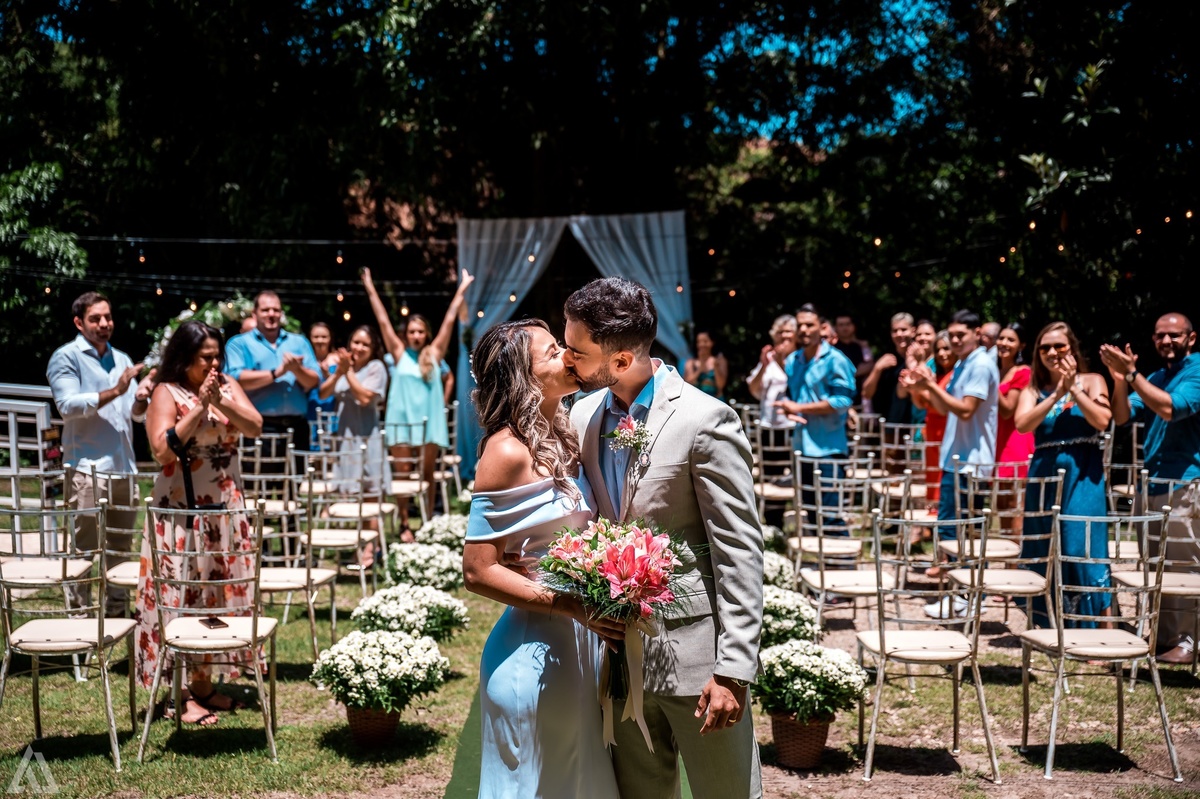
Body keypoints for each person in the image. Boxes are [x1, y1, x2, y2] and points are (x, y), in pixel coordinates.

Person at [563, 277, 764, 799]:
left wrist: (734, 671)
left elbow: (739, 551)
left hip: (700, 665)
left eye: (577, 351)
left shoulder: (705, 420)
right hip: (619, 662)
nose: (567, 360)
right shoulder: (582, 413)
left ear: (622, 360)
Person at [462, 319, 624, 799]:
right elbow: (477, 569)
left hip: (581, 647)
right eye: (554, 353)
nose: (569, 357)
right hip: (531, 654)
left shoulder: (566, 434)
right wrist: (569, 605)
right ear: (523, 377)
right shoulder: (505, 450)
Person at [134, 320, 263, 725]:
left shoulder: (227, 385)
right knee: (179, 598)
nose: (214, 363)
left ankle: (204, 684)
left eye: (217, 355)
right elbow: (161, 450)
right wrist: (200, 409)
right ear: (185, 357)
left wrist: (219, 402)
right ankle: (177, 694)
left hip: (225, 508)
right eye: (206, 356)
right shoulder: (165, 392)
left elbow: (255, 425)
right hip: (181, 512)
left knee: (214, 597)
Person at [47, 291, 155, 616]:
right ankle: (78, 620)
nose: (105, 323)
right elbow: (68, 407)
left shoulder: (121, 358)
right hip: (87, 469)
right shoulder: (66, 357)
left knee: (121, 548)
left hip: (125, 468)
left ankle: (116, 615)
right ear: (79, 322)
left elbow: (133, 415)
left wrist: (139, 399)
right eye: (96, 318)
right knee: (84, 551)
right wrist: (118, 390)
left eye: (108, 317)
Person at [1101, 312, 1200, 664]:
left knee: (1185, 565)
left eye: (1174, 335)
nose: (1166, 341)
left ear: (1191, 338)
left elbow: (1173, 408)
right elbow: (1123, 415)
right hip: (1152, 481)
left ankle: (1189, 642)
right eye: (1160, 336)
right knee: (1156, 564)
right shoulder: (1157, 376)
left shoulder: (1196, 370)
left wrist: (1131, 374)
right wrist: (1118, 380)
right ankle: (1163, 638)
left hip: (1186, 481)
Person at [1014, 321, 1112, 627]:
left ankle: (1104, 628)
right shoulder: (1032, 389)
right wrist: (1056, 394)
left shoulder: (1094, 380)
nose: (1052, 352)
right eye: (1044, 347)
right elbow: (1022, 424)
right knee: (1043, 544)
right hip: (1043, 475)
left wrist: (1073, 390)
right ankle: (1047, 624)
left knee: (1082, 543)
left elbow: (1102, 420)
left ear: (1072, 348)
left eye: (1059, 346)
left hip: (1083, 473)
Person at [902, 309, 999, 617]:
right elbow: (945, 407)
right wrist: (927, 385)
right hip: (955, 458)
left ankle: (969, 596)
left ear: (976, 333)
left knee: (962, 532)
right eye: (952, 334)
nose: (955, 340)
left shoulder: (981, 363)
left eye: (961, 335)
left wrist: (930, 387)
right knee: (950, 530)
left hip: (971, 460)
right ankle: (958, 593)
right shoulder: (962, 363)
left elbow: (967, 409)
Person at [362, 267, 473, 525]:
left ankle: (426, 521)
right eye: (411, 331)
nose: (415, 335)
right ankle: (403, 522)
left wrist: (462, 289)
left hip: (428, 423)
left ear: (426, 334)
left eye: (420, 331)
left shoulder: (434, 355)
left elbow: (449, 319)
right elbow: (382, 321)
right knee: (402, 474)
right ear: (406, 334)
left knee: (427, 474)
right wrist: (369, 286)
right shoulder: (398, 354)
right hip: (401, 421)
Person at [776, 305, 857, 532]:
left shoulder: (836, 360)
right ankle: (822, 565)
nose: (803, 329)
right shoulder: (793, 361)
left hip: (828, 449)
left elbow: (843, 401)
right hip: (802, 447)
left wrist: (799, 407)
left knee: (831, 515)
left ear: (822, 328)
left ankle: (844, 565)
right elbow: (796, 400)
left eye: (809, 324)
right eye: (799, 325)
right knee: (811, 512)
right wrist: (790, 410)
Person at [317, 326, 390, 562]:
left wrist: (346, 372)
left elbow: (365, 397)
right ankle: (358, 543)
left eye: (364, 344)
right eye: (355, 342)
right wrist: (339, 373)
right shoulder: (343, 369)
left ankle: (372, 547)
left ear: (373, 349)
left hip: (368, 438)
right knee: (353, 492)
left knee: (371, 492)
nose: (358, 348)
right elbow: (323, 392)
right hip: (346, 440)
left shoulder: (376, 368)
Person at [223, 290, 320, 455]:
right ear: (254, 314)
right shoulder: (238, 344)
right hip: (258, 428)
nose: (271, 314)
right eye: (265, 310)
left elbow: (314, 381)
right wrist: (277, 373)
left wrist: (297, 370)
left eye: (276, 310)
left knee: (296, 481)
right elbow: (235, 380)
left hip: (297, 428)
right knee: (258, 481)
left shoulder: (299, 342)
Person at [909, 330, 955, 510]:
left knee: (943, 477)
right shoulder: (940, 375)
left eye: (946, 349)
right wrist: (914, 390)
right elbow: (921, 404)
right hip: (933, 430)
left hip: (946, 429)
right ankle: (932, 518)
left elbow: (940, 405)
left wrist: (921, 387)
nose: (942, 354)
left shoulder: (955, 374)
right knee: (932, 476)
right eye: (939, 350)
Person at [861, 312, 917, 424]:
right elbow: (866, 393)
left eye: (903, 329)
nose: (899, 334)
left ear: (913, 331)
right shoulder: (886, 358)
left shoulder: (921, 355)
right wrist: (877, 369)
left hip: (915, 424)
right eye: (895, 331)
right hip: (889, 425)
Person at [995, 323, 1034, 478]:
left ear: (1021, 346)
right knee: (997, 499)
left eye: (1010, 340)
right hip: (995, 439)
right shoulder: (995, 371)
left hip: (1014, 441)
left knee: (1013, 497)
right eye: (1001, 338)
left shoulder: (1023, 372)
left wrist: (991, 383)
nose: (1004, 343)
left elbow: (1008, 410)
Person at [746, 314, 798, 431]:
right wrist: (764, 366)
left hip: (793, 424)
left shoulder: (801, 358)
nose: (784, 335)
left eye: (788, 331)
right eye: (780, 332)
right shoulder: (768, 357)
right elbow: (753, 390)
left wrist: (782, 359)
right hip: (768, 424)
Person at [306, 321, 340, 448]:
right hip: (310, 409)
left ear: (330, 338)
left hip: (331, 409)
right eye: (316, 337)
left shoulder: (337, 359)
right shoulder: (306, 359)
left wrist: (327, 375)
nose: (320, 340)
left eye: (324, 337)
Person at [833, 313, 872, 405]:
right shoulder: (833, 349)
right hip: (839, 397)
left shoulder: (861, 347)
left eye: (847, 324)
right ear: (835, 328)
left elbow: (870, 366)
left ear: (853, 326)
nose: (844, 328)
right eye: (841, 325)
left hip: (861, 397)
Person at [683, 330, 729, 401]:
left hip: (715, 401)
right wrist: (700, 369)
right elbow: (686, 383)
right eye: (699, 342)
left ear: (712, 342)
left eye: (705, 341)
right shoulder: (691, 362)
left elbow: (721, 385)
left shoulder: (720, 361)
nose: (701, 344)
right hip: (696, 401)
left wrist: (716, 367)